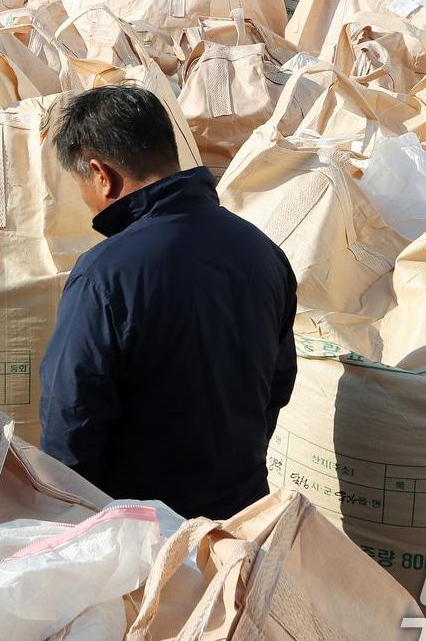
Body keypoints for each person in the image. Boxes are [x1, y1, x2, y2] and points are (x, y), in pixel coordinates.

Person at [40, 85, 297, 519]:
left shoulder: (103, 274)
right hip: (239, 518)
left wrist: (70, 523)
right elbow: (278, 382)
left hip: (142, 530)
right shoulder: (262, 252)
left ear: (101, 174)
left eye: (81, 183)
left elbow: (74, 418)